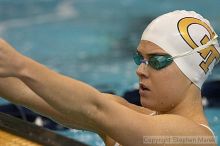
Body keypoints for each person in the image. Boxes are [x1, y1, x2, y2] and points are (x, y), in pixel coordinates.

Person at [0, 10, 218, 146]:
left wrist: (19, 65)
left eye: (156, 61)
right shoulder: (124, 118)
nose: (141, 70)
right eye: (139, 59)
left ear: (191, 71)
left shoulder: (195, 138)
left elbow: (96, 108)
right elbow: (24, 93)